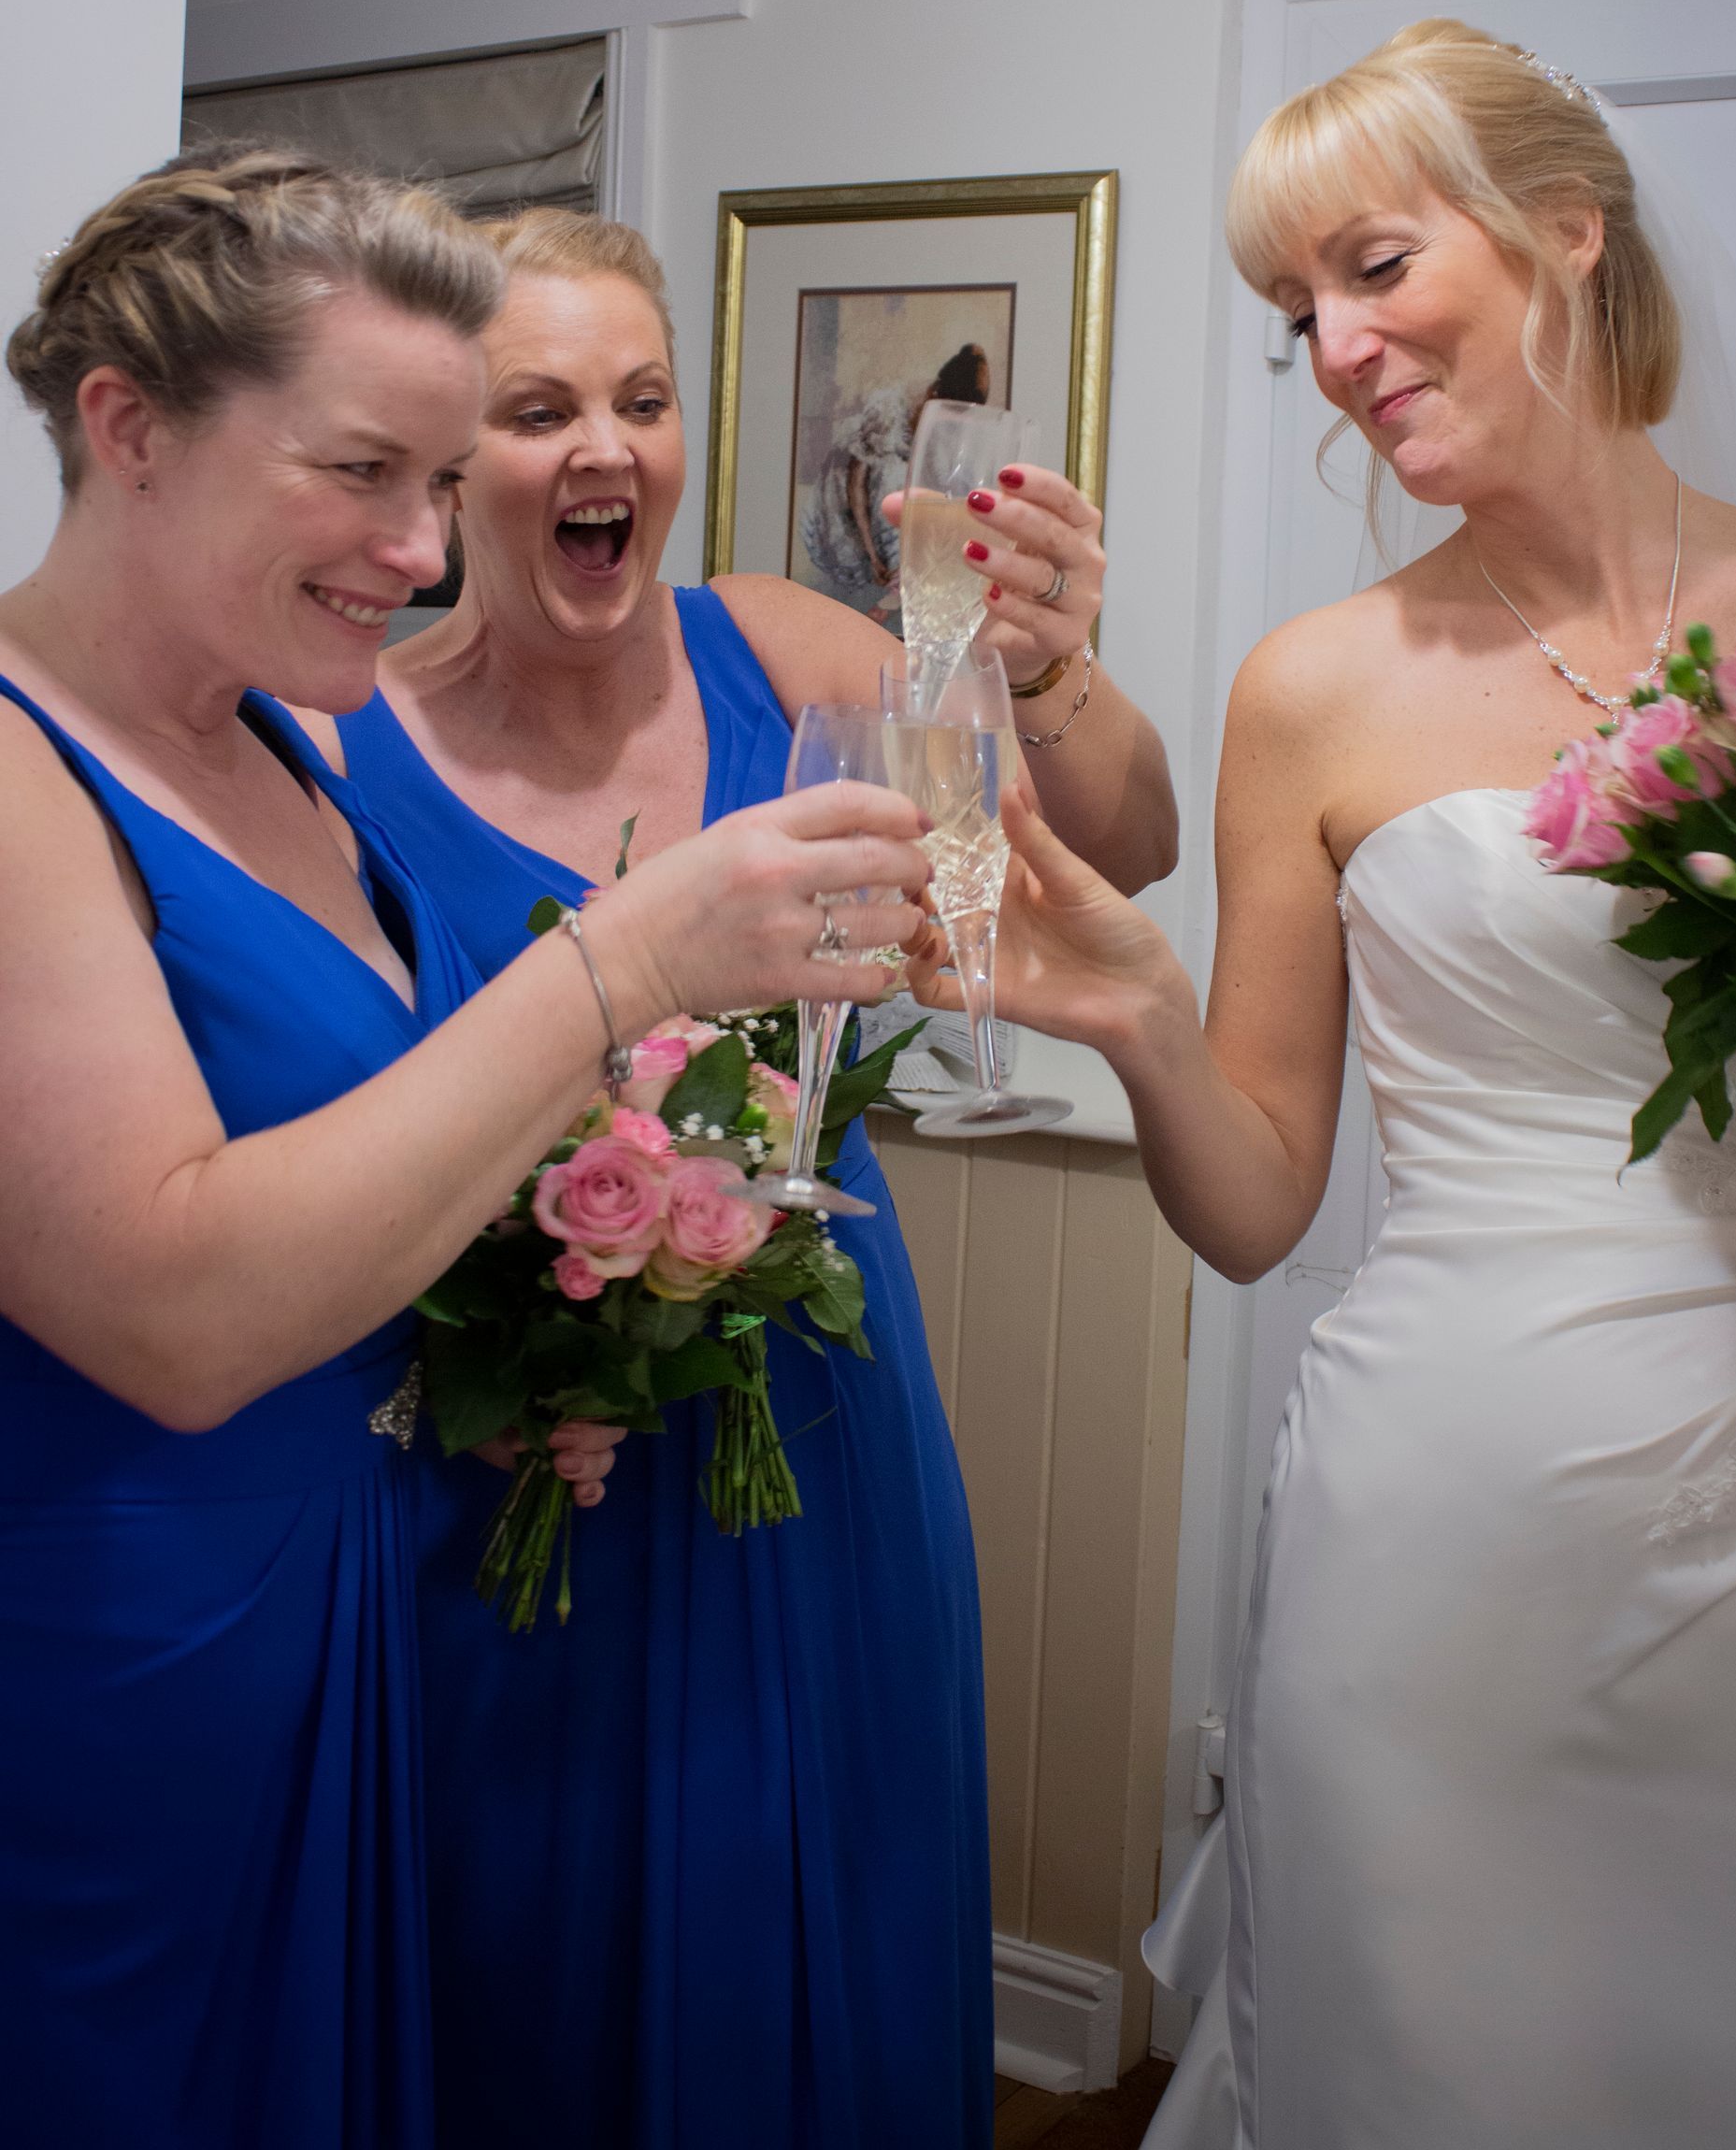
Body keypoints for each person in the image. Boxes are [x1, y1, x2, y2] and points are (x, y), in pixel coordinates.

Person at [911, 22, 1736, 2149]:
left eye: (1374, 269)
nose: (1334, 349)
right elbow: (1254, 1212)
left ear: (1562, 231)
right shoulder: (1312, 689)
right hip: (1446, 1528)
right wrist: (1141, 1011)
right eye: (1294, 308)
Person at [0, 150, 929, 2150]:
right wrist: (630, 958)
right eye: (364, 473)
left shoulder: (274, 748)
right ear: (129, 428)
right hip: (135, 1678)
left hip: (370, 1627)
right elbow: (171, 1310)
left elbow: (358, 1182)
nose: (423, 551)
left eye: (438, 482)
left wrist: (474, 1378)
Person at [302, 207, 1177, 2150]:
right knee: (535, 1962)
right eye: (539, 409)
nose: (605, 447)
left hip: (815, 1415)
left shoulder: (782, 649)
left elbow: (1115, 850)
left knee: (825, 1921)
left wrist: (1048, 673)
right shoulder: (343, 747)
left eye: (643, 398)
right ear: (445, 454)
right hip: (523, 1455)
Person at [801, 337, 992, 614]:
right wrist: (872, 554)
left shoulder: (944, 426)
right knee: (898, 484)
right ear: (934, 393)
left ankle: (902, 592)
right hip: (849, 492)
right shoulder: (890, 411)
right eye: (950, 414)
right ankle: (893, 594)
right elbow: (856, 484)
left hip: (898, 485)